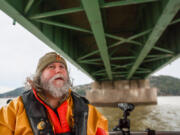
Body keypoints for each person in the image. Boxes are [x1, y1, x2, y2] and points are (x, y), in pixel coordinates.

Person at [0, 52, 108, 135]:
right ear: (39, 76)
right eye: (51, 67)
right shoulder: (13, 110)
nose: (58, 71)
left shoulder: (88, 110)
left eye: (62, 67)